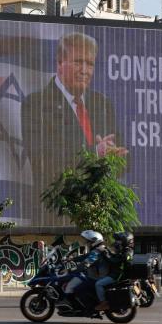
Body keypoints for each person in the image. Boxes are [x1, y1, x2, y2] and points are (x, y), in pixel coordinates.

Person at [21, 32, 127, 223]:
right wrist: (96, 153)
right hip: (57, 215)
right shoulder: (35, 104)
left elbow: (125, 161)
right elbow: (44, 160)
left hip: (100, 212)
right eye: (78, 62)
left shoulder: (102, 104)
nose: (85, 70)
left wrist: (115, 157)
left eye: (90, 64)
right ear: (60, 63)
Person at [93, 231, 134, 311]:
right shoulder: (127, 251)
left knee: (98, 284)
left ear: (125, 241)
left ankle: (104, 303)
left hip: (117, 275)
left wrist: (104, 252)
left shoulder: (126, 253)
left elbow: (114, 261)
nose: (116, 242)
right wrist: (106, 250)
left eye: (119, 240)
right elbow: (115, 257)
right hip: (119, 274)